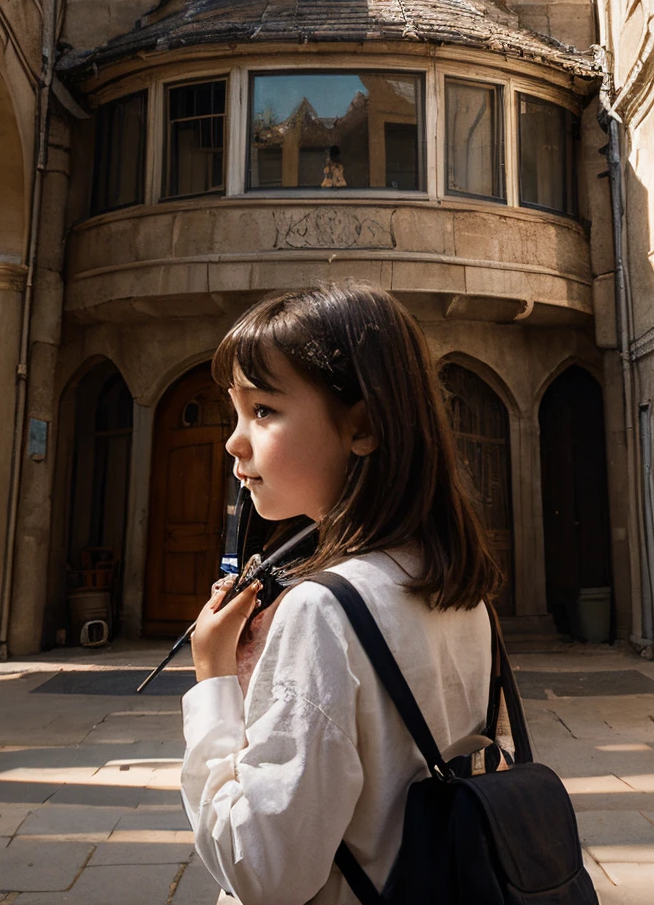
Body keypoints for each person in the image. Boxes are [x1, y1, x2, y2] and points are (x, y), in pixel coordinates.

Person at [180, 281, 502, 905]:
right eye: (235, 413)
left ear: (364, 426)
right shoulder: (459, 587)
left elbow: (263, 870)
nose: (233, 442)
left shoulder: (322, 608)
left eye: (264, 411)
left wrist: (213, 677)